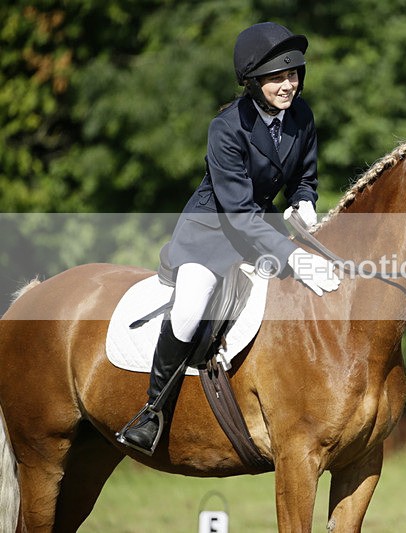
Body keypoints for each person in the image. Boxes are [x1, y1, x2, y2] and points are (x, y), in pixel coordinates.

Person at [116, 22, 340, 455]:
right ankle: (152, 412)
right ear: (253, 82)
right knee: (190, 309)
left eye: (293, 74)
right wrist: (292, 255)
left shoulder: (301, 116)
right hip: (211, 232)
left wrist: (304, 200)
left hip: (262, 228)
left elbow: (304, 176)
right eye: (277, 77)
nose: (288, 85)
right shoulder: (226, 128)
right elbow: (237, 212)